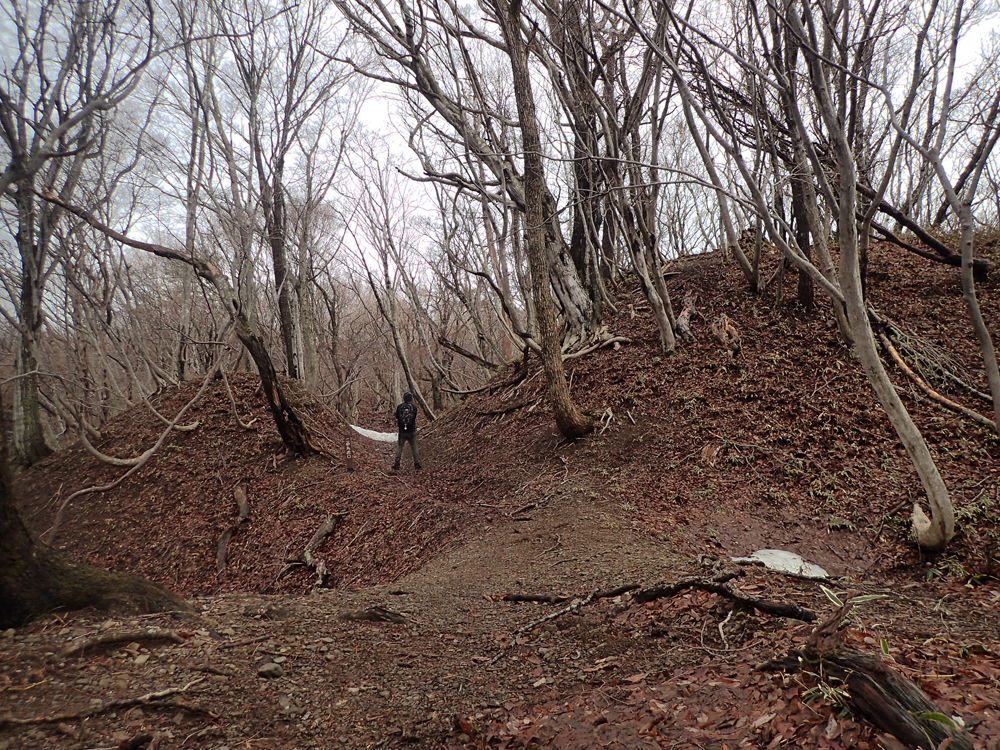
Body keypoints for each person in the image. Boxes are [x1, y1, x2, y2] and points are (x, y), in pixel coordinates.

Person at [392, 392, 421, 470]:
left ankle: (397, 463)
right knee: (414, 447)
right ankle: (417, 463)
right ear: (411, 399)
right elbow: (414, 417)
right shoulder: (414, 407)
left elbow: (397, 416)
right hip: (411, 431)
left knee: (400, 447)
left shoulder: (399, 407)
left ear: (404, 398)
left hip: (402, 431)